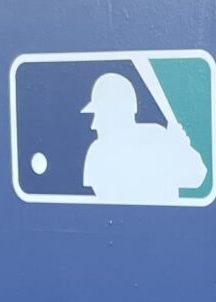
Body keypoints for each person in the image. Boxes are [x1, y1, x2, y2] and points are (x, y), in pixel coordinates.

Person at [82, 69, 207, 202]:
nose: (93, 125)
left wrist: (180, 148)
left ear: (119, 112)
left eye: (101, 115)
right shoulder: (98, 151)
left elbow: (197, 176)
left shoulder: (158, 137)